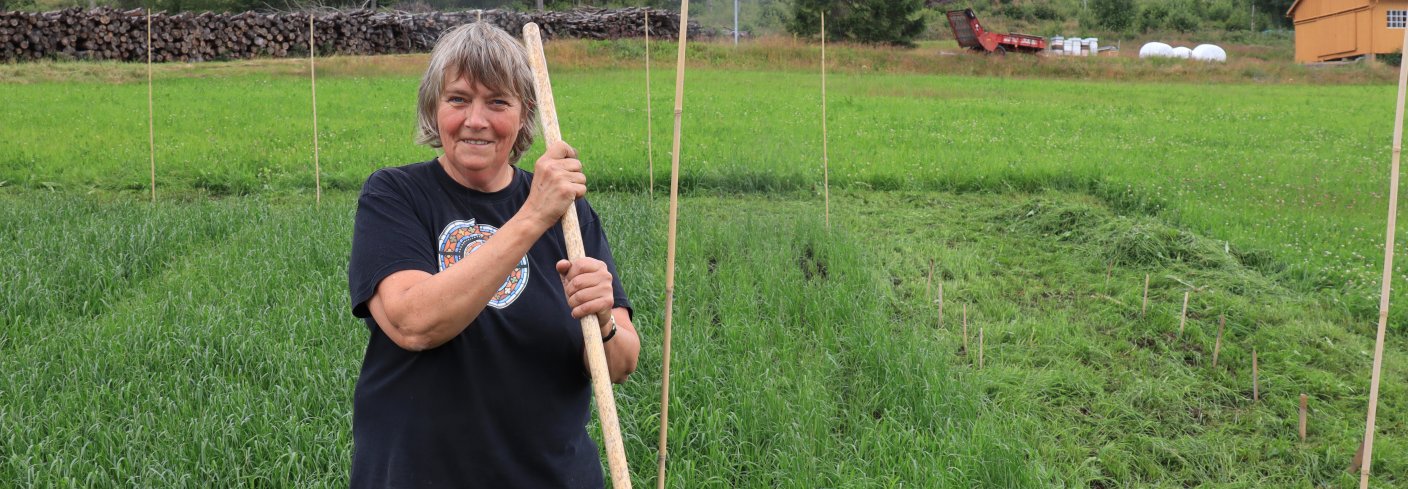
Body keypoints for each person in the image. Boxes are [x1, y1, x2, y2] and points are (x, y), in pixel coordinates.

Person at [346, 21, 640, 488]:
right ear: (433, 108)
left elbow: (622, 364)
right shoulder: (396, 195)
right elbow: (412, 322)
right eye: (458, 99)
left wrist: (603, 321)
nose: (475, 120)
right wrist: (531, 218)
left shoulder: (569, 215)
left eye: (497, 102)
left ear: (524, 115)